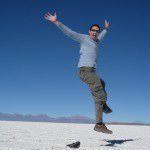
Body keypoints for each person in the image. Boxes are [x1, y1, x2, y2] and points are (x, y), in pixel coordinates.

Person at [44, 11, 113, 134]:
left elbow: (102, 36)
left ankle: (102, 104)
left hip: (92, 71)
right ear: (89, 31)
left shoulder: (97, 41)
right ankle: (99, 124)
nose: (95, 32)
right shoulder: (83, 38)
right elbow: (69, 32)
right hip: (84, 70)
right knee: (100, 94)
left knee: (102, 83)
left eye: (97, 31)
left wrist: (106, 29)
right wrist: (56, 22)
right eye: (93, 30)